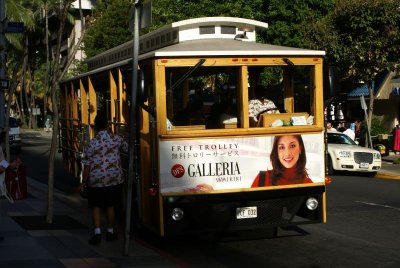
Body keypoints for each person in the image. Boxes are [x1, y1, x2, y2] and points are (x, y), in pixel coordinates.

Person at [81, 111, 128, 245]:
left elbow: (87, 164)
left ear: (95, 126)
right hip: (114, 179)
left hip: (96, 180)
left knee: (96, 206)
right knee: (110, 205)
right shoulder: (116, 139)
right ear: (107, 125)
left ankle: (97, 234)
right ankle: (110, 231)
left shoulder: (92, 143)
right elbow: (127, 149)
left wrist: (84, 182)